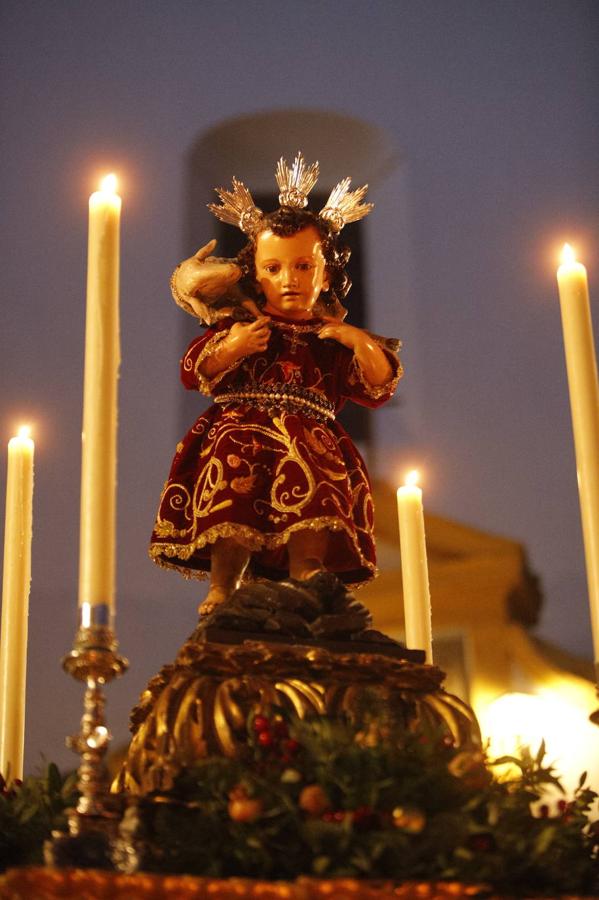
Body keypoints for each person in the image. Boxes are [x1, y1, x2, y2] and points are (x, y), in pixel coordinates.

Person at [149, 153, 402, 616]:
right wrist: (234, 348)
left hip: (312, 441)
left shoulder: (328, 341)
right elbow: (197, 371)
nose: (289, 280)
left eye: (304, 266)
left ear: (326, 274)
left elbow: (376, 385)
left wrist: (359, 341)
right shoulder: (240, 326)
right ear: (254, 274)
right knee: (233, 504)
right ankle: (225, 584)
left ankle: (307, 573)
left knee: (317, 502)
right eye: (273, 269)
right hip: (240, 435)